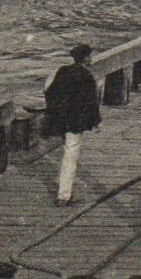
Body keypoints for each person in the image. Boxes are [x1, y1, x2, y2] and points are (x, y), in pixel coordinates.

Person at [44, 43, 102, 207]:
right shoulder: (86, 77)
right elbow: (91, 103)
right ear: (85, 59)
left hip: (59, 120)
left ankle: (64, 192)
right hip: (75, 122)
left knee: (67, 152)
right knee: (70, 156)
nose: (91, 59)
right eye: (90, 56)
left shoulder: (62, 70)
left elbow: (48, 89)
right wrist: (95, 122)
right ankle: (64, 195)